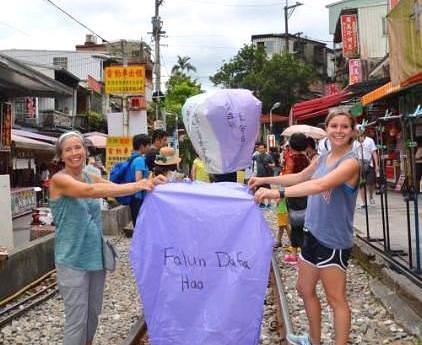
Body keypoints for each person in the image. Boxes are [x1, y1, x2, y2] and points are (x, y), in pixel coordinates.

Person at [249, 108, 360, 345]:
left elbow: (319, 185)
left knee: (335, 299)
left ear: (352, 131)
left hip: (333, 239)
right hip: (313, 232)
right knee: (304, 288)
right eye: (334, 126)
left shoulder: (351, 163)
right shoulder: (323, 157)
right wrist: (265, 180)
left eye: (344, 127)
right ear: (327, 129)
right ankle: (313, 339)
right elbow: (300, 178)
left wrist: (277, 193)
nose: (339, 131)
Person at [49, 131, 166, 345]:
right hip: (72, 260)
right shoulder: (59, 180)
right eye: (68, 149)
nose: (75, 153)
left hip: (94, 257)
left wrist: (152, 184)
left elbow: (111, 189)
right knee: (77, 320)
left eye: (78, 147)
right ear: (61, 156)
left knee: (92, 316)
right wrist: (137, 185)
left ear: (85, 150)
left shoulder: (88, 174)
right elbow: (91, 191)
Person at [281, 133, 310, 264]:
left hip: (293, 194)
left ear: (291, 145)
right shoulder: (307, 159)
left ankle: (295, 254)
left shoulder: (291, 159)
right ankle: (303, 252)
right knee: (304, 223)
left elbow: (286, 179)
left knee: (296, 224)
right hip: (306, 193)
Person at [128, 134, 151, 227]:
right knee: (140, 225)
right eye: (148, 145)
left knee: (138, 223)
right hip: (138, 198)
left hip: (135, 197)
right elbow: (138, 180)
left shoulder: (133, 157)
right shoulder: (139, 160)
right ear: (142, 146)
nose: (149, 147)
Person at [353, 129, 379, 208]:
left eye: (358, 132)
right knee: (361, 184)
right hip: (359, 165)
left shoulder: (369, 140)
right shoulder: (354, 143)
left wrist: (376, 165)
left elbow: (374, 152)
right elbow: (353, 155)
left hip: (369, 163)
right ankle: (364, 202)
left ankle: (370, 196)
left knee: (370, 183)